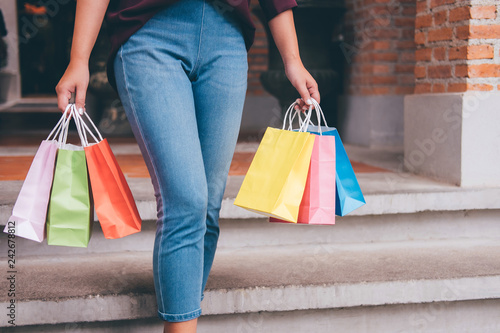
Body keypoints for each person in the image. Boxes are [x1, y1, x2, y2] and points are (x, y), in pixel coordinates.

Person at [56, 0, 320, 332]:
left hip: (227, 41)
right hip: (150, 35)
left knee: (207, 206)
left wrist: (292, 60)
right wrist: (79, 59)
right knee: (187, 200)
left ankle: (182, 313)